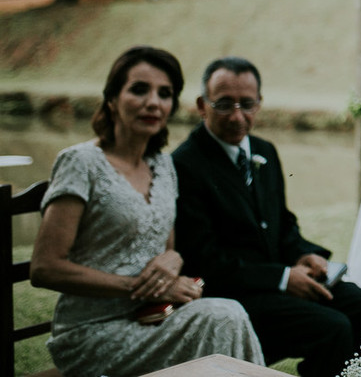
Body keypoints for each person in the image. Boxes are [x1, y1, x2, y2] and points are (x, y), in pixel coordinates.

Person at [31, 47, 263, 377]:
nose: (153, 102)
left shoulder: (164, 166)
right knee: (222, 317)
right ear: (112, 98)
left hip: (154, 316)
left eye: (165, 94)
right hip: (91, 332)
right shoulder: (81, 163)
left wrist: (174, 260)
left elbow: (166, 247)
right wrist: (137, 286)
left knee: (226, 314)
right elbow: (44, 268)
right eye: (139, 89)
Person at [172, 57, 361, 377]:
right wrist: (282, 278)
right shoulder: (184, 165)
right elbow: (206, 261)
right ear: (201, 105)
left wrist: (305, 254)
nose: (237, 116)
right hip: (237, 296)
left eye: (247, 104)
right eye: (224, 104)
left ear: (260, 103)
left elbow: (283, 224)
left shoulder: (265, 150)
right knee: (332, 328)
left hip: (285, 281)